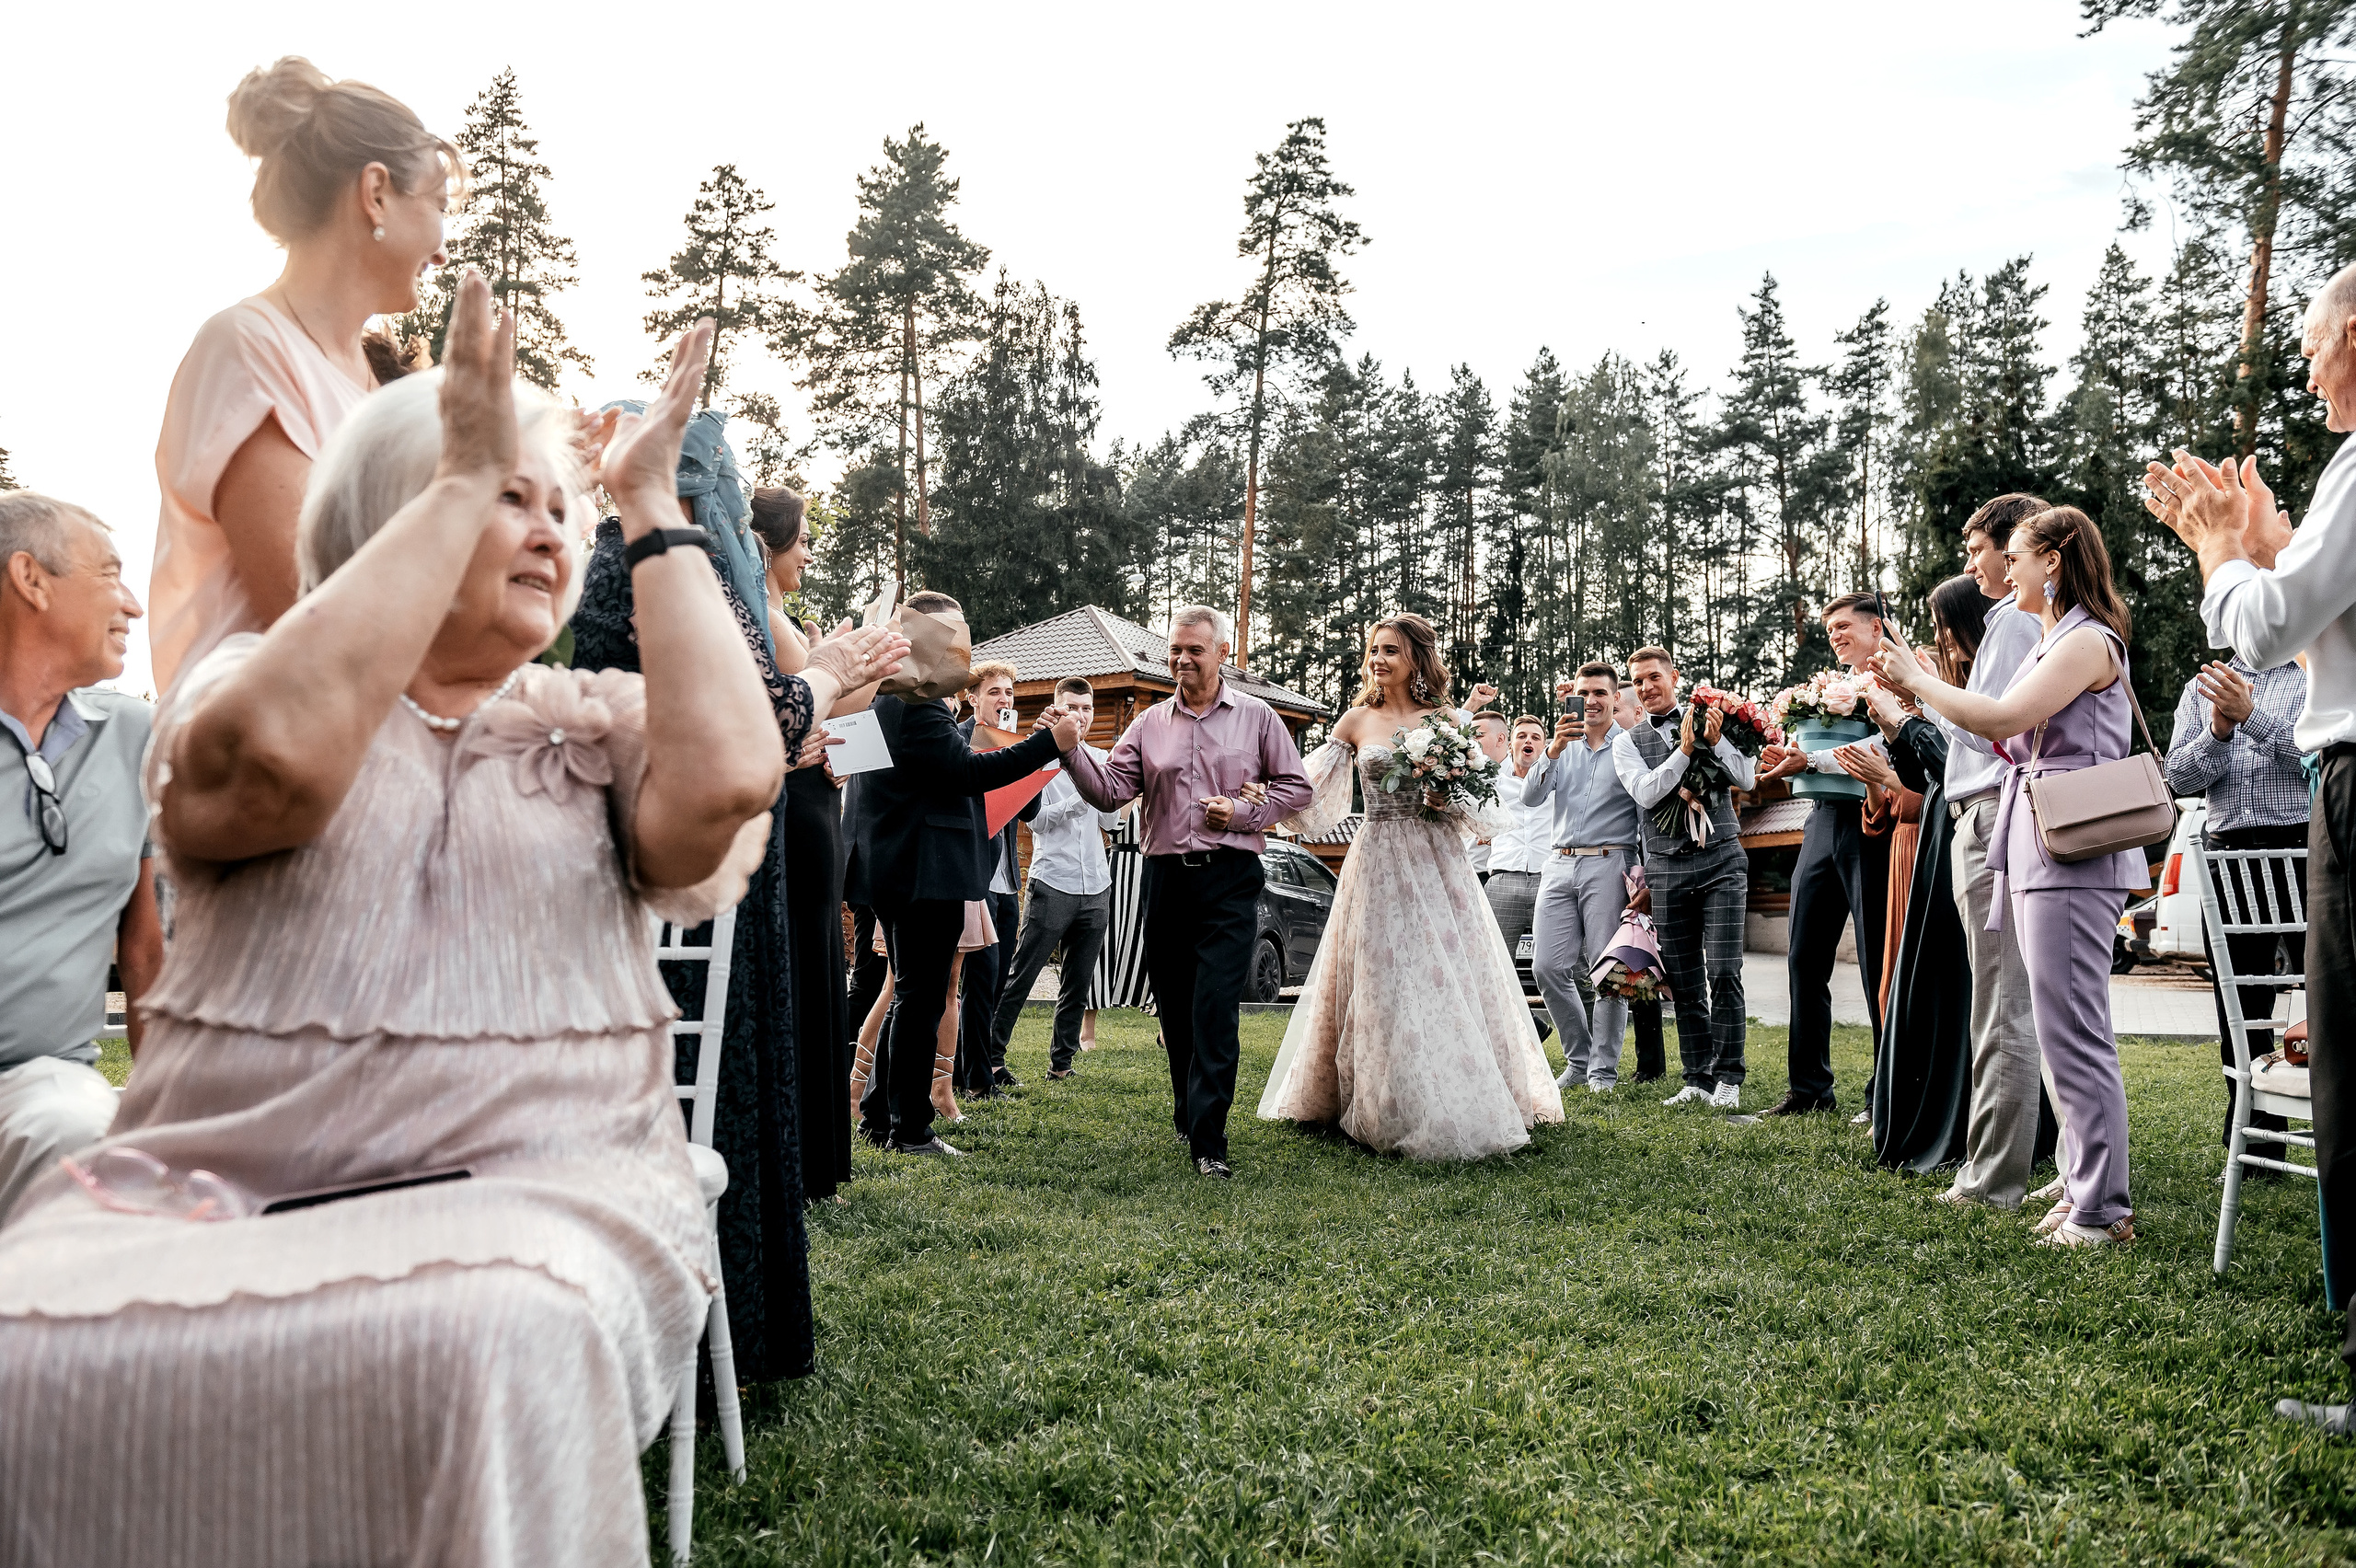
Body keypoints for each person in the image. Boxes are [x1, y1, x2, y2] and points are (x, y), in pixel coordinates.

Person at [0, 284, 895, 1562]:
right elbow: (270, 771)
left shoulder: (586, 729)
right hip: (226, 1181)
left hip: (540, 1176)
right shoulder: (246, 691)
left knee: (484, 1333)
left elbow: (730, 777)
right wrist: (460, 480)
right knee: (33, 1338)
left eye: (556, 508)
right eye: (498, 496)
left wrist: (649, 503)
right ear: (394, 521)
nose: (544, 529)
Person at [571, 411, 865, 1382]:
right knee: (708, 1092)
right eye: (726, 482)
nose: (739, 505)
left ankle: (718, 1327)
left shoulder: (641, 564)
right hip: (689, 882)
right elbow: (752, 715)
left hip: (711, 863)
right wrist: (828, 679)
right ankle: (698, 1334)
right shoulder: (664, 569)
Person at [2148, 261, 2356, 1428]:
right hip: (2267, 817)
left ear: (2355, 335)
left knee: (2348, 1060)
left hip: (2337, 792)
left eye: (2316, 343)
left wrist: (2223, 553)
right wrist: (2263, 538)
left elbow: (2272, 626)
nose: (2308, 367)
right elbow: (2185, 769)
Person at [1876, 504, 2150, 1249]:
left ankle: (2102, 1208)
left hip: (2069, 844)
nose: (2001, 573)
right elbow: (1998, 731)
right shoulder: (2057, 638)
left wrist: (1917, 681)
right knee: (2059, 1029)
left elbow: (1999, 720)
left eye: (2018, 557)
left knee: (2073, 1029)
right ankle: (2081, 1186)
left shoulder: (2086, 640)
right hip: (2035, 838)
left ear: (2051, 562)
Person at [151, 58, 457, 690]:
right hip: (262, 732)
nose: (444, 248)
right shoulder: (245, 349)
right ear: (376, 193)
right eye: (437, 204)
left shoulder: (378, 382)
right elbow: (309, 610)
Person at [1255, 614, 1563, 1159]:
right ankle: (1379, 1096)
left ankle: (1453, 1088)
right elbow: (1309, 793)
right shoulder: (1355, 721)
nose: (1378, 659)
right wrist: (1262, 796)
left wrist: (1449, 798)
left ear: (1416, 659)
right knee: (1380, 973)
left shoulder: (1444, 721)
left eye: (1391, 650)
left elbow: (1480, 804)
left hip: (1437, 861)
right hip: (1375, 858)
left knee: (1442, 970)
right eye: (1374, 650)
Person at [1053, 605, 1311, 1179]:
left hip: (1230, 878)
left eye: (1195, 650)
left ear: (1222, 653)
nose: (1182, 659)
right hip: (1166, 879)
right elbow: (1111, 791)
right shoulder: (1148, 724)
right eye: (1175, 649)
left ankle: (1209, 1140)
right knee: (1174, 1005)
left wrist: (1242, 812)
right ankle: (1188, 1111)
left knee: (1214, 1006)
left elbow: (1297, 788)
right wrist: (1070, 751)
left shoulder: (1258, 717)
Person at [846, 598, 1064, 1158]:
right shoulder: (917, 707)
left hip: (897, 869)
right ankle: (910, 1130)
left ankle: (881, 1117)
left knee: (909, 997)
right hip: (926, 872)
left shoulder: (884, 700)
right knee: (919, 1001)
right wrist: (1048, 745)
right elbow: (968, 772)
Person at [0, 494, 160, 1226]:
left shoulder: (135, 738)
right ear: (30, 579)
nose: (132, 605)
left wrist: (164, 1115)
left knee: (78, 1136)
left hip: (44, 1081)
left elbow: (145, 947)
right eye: (109, 574)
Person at [1934, 494, 2062, 1209]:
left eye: (1978, 547)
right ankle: (2074, 1170)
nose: (1974, 563)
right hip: (2003, 811)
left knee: (2002, 1005)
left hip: (1991, 815)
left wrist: (1915, 693)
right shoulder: (2039, 620)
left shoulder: (2012, 620)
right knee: (2040, 1006)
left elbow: (1988, 731)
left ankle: (1991, 1181)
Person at [746, 486, 872, 1202]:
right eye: (803, 543)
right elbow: (830, 700)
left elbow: (833, 710)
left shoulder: (782, 616)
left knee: (823, 959)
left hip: (818, 799)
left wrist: (844, 656)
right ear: (770, 546)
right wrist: (859, 657)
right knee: (804, 967)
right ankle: (803, 1154)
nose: (810, 556)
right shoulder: (763, 616)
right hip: (795, 808)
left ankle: (818, 1155)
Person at [1847, 574, 1984, 1172]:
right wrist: (1892, 727)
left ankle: (1959, 1121)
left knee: (1953, 984)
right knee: (1921, 980)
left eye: (1943, 627)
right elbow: (1924, 773)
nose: (1938, 639)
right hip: (1937, 831)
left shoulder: (1983, 689)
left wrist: (1906, 724)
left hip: (1962, 832)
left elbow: (1960, 766)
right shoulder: (1954, 686)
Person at [2164, 649, 2310, 1167]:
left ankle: (2338, 1127)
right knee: (2241, 1004)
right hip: (2228, 858)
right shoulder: (2203, 685)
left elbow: (2318, 757)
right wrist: (2219, 731)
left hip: (2306, 850)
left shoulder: (2313, 671)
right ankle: (2256, 1137)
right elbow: (2177, 777)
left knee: (2329, 991)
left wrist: (2252, 717)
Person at [1755, 594, 1896, 1116]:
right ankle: (1809, 1090)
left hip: (1873, 823)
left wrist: (1810, 759)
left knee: (1878, 962)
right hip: (1820, 820)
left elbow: (1883, 751)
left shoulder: (1898, 681)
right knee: (1804, 957)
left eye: (1843, 625)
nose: (1834, 635)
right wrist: (1790, 755)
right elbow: (1810, 753)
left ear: (1876, 627)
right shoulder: (1827, 690)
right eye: (1829, 628)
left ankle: (1885, 1094)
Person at [1613, 647, 1756, 1109]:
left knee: (1724, 971)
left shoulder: (1715, 718)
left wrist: (1715, 742)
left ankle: (1729, 1077)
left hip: (1721, 860)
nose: (1646, 687)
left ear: (1674, 676)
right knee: (1685, 980)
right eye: (1638, 681)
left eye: (1654, 677)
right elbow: (1646, 793)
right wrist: (1685, 751)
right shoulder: (1627, 742)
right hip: (1667, 869)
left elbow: (1747, 780)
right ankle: (1697, 1078)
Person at [991, 676, 1121, 1081]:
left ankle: (1062, 1063)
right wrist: (1078, 799)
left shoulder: (1102, 758)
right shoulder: (1040, 759)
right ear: (1057, 708)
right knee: (1022, 975)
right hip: (1053, 881)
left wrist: (1111, 797)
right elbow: (1037, 822)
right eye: (1072, 707)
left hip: (1096, 884)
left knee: (1077, 983)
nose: (1080, 715)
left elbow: (1111, 824)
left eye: (1087, 708)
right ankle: (991, 1057)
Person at [1526, 663, 1645, 1092]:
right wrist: (1554, 748)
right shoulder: (1562, 746)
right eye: (1584, 693)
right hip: (1558, 863)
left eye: (1599, 693)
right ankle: (1578, 1060)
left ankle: (1602, 1072)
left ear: (1615, 699)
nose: (1591, 701)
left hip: (1610, 862)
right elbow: (1531, 797)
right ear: (1572, 697)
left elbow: (1646, 813)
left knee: (1608, 972)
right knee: (1546, 967)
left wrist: (1645, 874)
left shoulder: (1630, 746)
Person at [955, 663, 1033, 1097]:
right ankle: (977, 1079)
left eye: (1009, 693)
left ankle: (974, 1066)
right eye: (994, 692)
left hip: (1007, 880)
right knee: (978, 981)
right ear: (973, 698)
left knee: (997, 979)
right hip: (975, 876)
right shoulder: (959, 739)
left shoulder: (1012, 742)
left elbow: (1030, 811)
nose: (1004, 700)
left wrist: (1024, 757)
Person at [1612, 687, 1669, 1083]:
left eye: (1616, 709)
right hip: (1614, 869)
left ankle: (1652, 1063)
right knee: (1627, 964)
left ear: (1636, 715)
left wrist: (1649, 875)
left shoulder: (1645, 756)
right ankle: (1639, 1060)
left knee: (1647, 962)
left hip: (1646, 871)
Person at [1479, 713, 1554, 970]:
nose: (1528, 741)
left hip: (1548, 880)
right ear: (1510, 745)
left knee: (1555, 966)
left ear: (1544, 746)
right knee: (1495, 967)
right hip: (1503, 880)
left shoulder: (1559, 782)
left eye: (1535, 737)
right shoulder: (1492, 781)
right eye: (1521, 736)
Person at [1465, 711, 1511, 882]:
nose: (1471, 742)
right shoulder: (1462, 775)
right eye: (1469, 737)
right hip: (1467, 872)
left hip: (1502, 875)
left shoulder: (1521, 777)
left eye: (1478, 736)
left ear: (1500, 739)